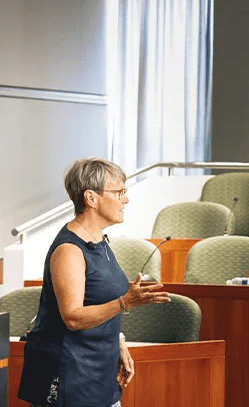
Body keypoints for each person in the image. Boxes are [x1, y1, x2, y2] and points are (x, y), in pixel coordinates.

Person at [18, 158, 170, 407]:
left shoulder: (98, 239)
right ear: (91, 198)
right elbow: (73, 317)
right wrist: (125, 302)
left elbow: (98, 298)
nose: (125, 199)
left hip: (99, 371)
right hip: (69, 375)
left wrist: (118, 340)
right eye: (119, 192)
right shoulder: (69, 250)